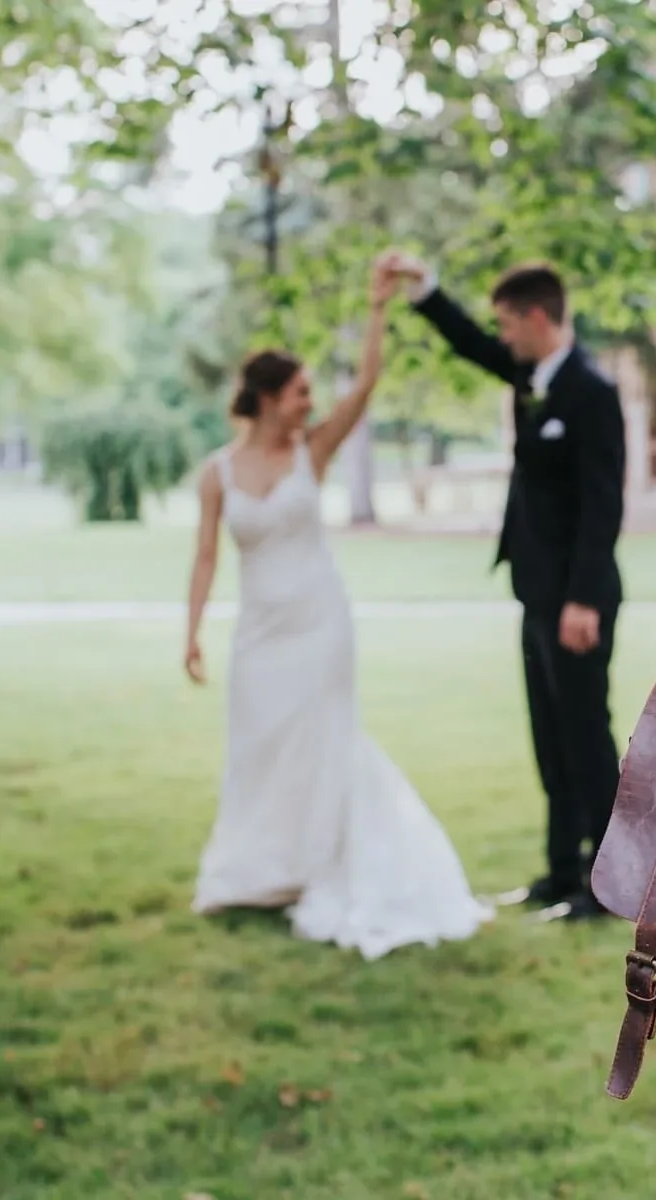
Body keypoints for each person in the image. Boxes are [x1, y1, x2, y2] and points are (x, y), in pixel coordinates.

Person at [183, 263, 490, 957]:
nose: (308, 403)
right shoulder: (216, 473)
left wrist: (377, 307)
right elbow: (204, 557)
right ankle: (257, 871)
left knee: (324, 741)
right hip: (260, 632)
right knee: (259, 746)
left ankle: (320, 862)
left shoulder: (313, 451)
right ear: (267, 399)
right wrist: (192, 632)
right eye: (298, 392)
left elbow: (367, 385)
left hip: (320, 623)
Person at [379, 251, 626, 922]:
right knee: (549, 737)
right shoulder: (529, 376)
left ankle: (607, 885)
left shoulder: (591, 392)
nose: (503, 336)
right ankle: (559, 871)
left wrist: (581, 598)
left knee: (586, 737)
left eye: (508, 323)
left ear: (537, 317)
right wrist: (425, 291)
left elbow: (603, 504)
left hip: (577, 600)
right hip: (535, 592)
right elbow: (471, 344)